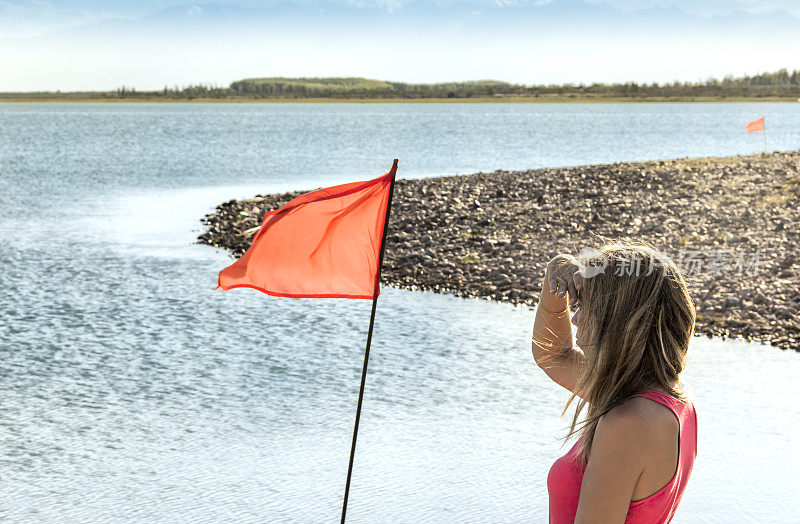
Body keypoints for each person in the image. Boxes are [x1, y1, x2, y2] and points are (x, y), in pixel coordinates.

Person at [531, 238, 698, 524]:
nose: (576, 319)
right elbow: (554, 355)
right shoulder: (665, 398)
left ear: (618, 318)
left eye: (587, 306)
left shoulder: (631, 421)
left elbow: (554, 356)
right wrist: (554, 278)